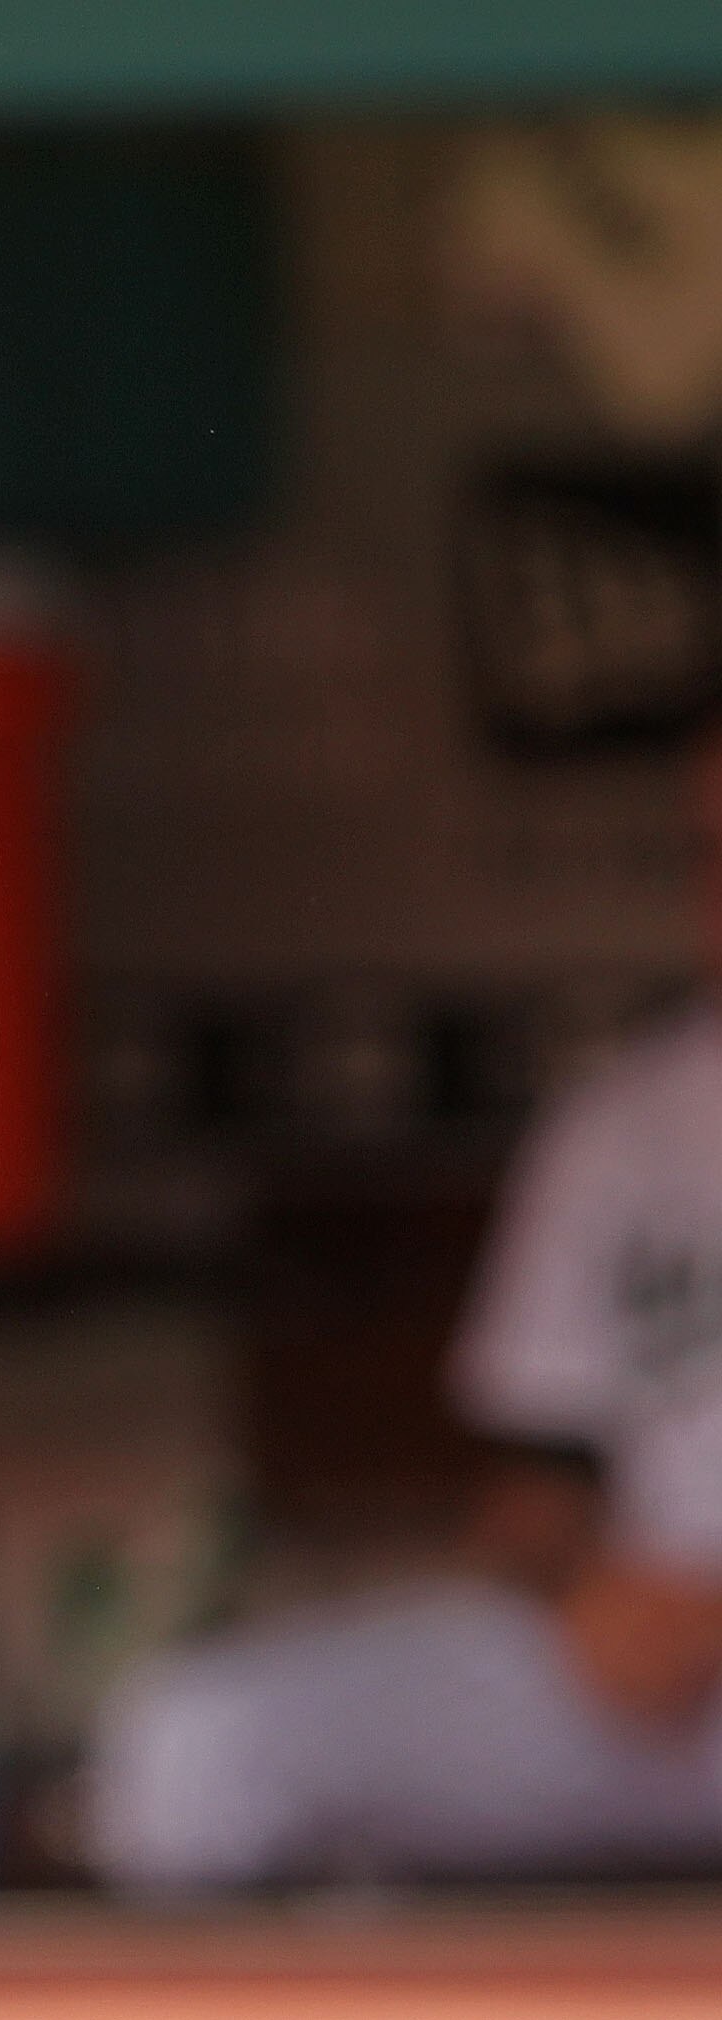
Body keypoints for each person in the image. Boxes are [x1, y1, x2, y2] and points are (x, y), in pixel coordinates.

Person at [88, 736, 722, 1889]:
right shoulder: (625, 1126)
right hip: (646, 1687)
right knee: (193, 1744)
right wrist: (564, 1592)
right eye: (708, 853)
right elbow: (545, 1484)